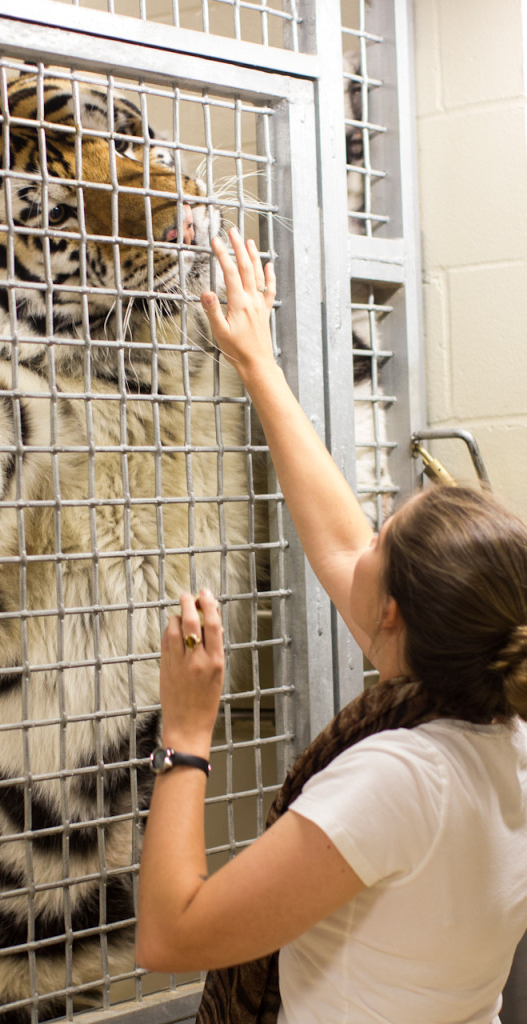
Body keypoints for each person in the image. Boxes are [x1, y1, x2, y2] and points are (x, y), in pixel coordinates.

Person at [135, 227, 527, 1024]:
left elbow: (171, 937)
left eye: (384, 535)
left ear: (390, 614)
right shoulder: (504, 729)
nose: (365, 537)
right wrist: (257, 361)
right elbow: (343, 543)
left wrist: (187, 732)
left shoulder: (400, 778)